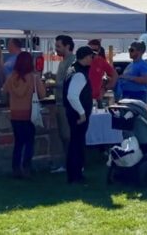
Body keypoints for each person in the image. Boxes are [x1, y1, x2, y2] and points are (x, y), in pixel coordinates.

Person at [3, 51, 46, 178]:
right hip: (29, 114)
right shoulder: (33, 78)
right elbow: (42, 95)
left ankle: (15, 168)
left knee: (18, 143)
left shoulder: (11, 77)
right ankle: (27, 168)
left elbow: (3, 90)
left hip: (15, 114)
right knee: (29, 142)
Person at [63, 46, 95, 184]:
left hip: (72, 113)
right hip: (77, 115)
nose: (92, 59)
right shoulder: (79, 74)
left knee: (75, 143)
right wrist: (82, 114)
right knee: (77, 144)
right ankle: (76, 175)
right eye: (91, 57)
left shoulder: (72, 69)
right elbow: (72, 96)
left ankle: (75, 173)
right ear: (87, 57)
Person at [52, 35, 76, 173]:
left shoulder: (72, 61)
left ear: (68, 46)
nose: (56, 49)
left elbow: (69, 82)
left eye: (58, 46)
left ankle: (72, 164)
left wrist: (54, 84)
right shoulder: (63, 61)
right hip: (60, 102)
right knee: (64, 135)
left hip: (67, 104)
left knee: (68, 136)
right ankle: (68, 163)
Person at [87, 40, 118, 106]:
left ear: (99, 50)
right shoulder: (83, 61)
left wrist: (106, 87)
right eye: (90, 50)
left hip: (98, 98)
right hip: (84, 97)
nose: (93, 53)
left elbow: (115, 75)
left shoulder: (100, 61)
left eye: (95, 50)